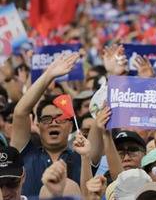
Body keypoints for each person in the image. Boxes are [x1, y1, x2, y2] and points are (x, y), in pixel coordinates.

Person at [10, 53, 100, 197]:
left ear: (71, 126)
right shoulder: (25, 154)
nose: (53, 123)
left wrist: (116, 75)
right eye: (46, 119)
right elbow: (20, 112)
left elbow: (100, 120)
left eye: (60, 119)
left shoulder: (83, 155)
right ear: (37, 125)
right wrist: (49, 75)